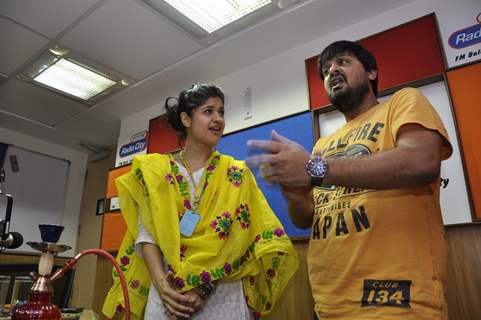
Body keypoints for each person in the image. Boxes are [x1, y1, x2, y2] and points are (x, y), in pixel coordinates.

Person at [246, 41, 452, 319]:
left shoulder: (403, 102)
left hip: (397, 300)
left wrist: (312, 168)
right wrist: (294, 193)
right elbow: (307, 218)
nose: (332, 71)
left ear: (371, 72)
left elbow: (421, 161)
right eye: (326, 71)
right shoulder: (321, 146)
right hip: (329, 303)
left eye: (342, 62)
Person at [102, 84, 298, 320]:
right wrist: (163, 286)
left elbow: (241, 239)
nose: (218, 119)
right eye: (209, 111)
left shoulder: (236, 173)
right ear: (186, 118)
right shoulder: (156, 170)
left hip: (222, 300)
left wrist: (203, 287)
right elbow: (147, 233)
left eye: (221, 112)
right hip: (168, 299)